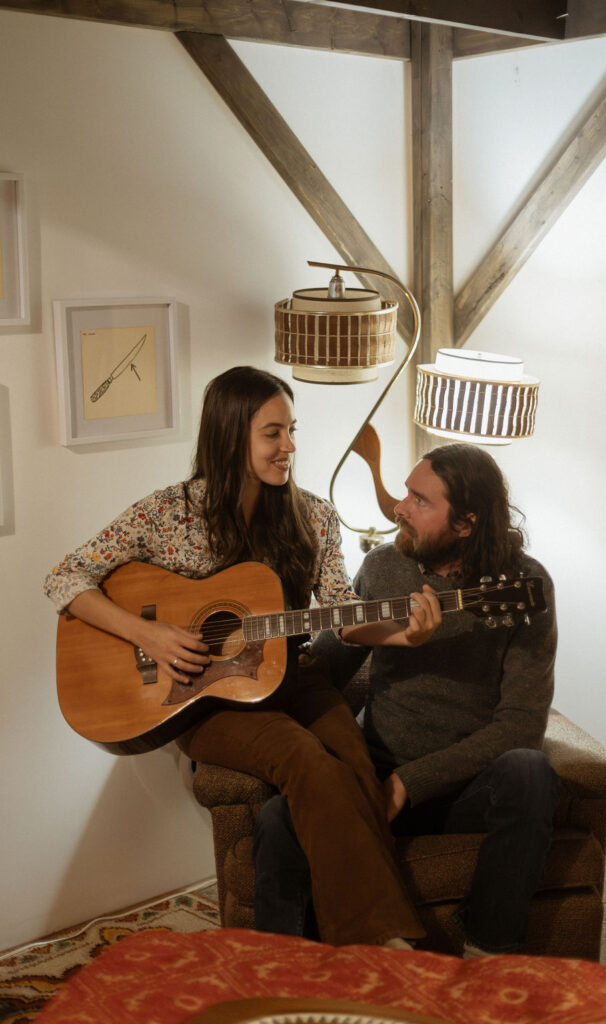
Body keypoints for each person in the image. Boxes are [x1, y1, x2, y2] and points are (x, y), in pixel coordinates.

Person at [44, 365, 445, 949]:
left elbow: (341, 614)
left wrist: (406, 635)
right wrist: (148, 635)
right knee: (306, 760)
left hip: (296, 677)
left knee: (357, 768)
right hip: (203, 700)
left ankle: (320, 943)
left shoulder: (314, 517)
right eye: (272, 433)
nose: (290, 447)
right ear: (232, 436)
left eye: (291, 431)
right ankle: (382, 946)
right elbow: (64, 577)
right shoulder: (169, 514)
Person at [253, 443, 559, 956]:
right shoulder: (382, 568)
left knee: (530, 771)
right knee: (277, 819)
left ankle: (486, 953)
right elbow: (326, 668)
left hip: (464, 787)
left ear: (464, 523)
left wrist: (410, 784)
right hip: (374, 772)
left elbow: (522, 725)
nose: (398, 506)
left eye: (419, 500)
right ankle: (283, 971)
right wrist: (254, 664)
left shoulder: (523, 585)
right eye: (406, 492)